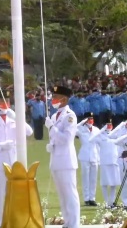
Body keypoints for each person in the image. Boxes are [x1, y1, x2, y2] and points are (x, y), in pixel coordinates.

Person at [0, 90, 33, 228]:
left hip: (14, 162)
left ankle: (11, 221)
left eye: (7, 101)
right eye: (2, 101)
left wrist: (17, 117)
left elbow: (29, 132)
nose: (5, 104)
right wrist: (1, 146)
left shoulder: (13, 118)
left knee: (13, 194)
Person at [44, 86, 80, 228]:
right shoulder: (54, 116)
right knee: (62, 194)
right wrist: (51, 144)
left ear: (64, 99)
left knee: (70, 194)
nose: (53, 100)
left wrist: (52, 128)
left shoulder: (70, 116)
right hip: (56, 160)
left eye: (56, 97)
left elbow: (67, 138)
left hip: (66, 160)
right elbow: (56, 138)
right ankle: (67, 222)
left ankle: (74, 224)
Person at [89, 120, 121, 209]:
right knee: (104, 183)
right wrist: (102, 130)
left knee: (114, 183)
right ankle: (107, 202)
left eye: (110, 124)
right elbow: (90, 140)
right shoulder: (100, 136)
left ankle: (112, 202)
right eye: (107, 124)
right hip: (104, 162)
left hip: (114, 161)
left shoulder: (115, 134)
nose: (109, 126)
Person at [76, 112, 100, 206]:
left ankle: (92, 198)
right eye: (89, 119)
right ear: (85, 120)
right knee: (85, 178)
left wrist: (99, 157)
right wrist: (81, 122)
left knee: (93, 178)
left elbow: (99, 144)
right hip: (85, 156)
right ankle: (86, 198)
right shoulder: (81, 129)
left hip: (94, 155)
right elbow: (72, 129)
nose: (91, 121)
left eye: (92, 119)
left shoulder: (96, 130)